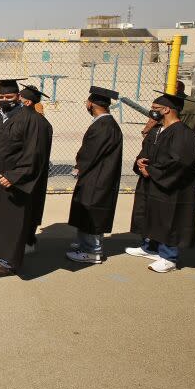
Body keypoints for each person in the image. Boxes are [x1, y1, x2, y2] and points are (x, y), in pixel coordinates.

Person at [0, 78, 49, 277]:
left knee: (10, 221)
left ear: (18, 97)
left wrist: (15, 176)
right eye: (1, 96)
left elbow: (34, 153)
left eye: (9, 96)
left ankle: (8, 262)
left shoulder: (32, 120)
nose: (4, 100)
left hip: (12, 182)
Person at [126, 91, 195, 273]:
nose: (152, 112)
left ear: (167, 110)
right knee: (151, 213)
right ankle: (149, 247)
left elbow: (180, 162)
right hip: (152, 181)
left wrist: (151, 170)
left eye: (155, 109)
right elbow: (145, 152)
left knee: (169, 218)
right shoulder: (157, 131)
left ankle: (169, 257)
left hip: (172, 186)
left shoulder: (184, 133)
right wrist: (140, 162)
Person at [65, 87, 123, 264]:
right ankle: (85, 244)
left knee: (93, 211)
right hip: (95, 175)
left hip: (98, 177)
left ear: (91, 104)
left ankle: (93, 251)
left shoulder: (104, 126)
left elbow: (91, 152)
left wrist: (79, 167)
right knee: (86, 208)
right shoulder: (104, 123)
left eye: (87, 102)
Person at [18, 84, 53, 254]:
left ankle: (27, 241)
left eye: (19, 99)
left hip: (30, 174)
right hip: (28, 172)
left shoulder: (38, 123)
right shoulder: (38, 121)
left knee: (29, 208)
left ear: (27, 103)